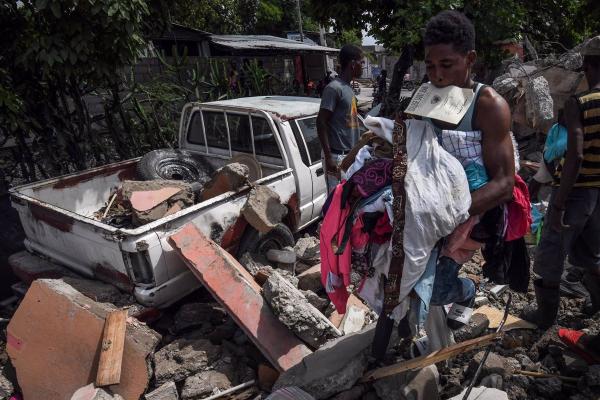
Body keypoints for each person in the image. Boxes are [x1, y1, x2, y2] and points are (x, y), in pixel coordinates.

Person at [421, 11, 516, 320]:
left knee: (436, 289)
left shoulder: (488, 105)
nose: (437, 75)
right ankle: (428, 335)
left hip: (471, 214)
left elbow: (504, 183)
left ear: (470, 58)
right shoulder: (427, 98)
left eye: (446, 65)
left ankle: (467, 292)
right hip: (427, 210)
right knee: (406, 280)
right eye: (431, 66)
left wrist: (449, 217)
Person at [523, 36, 600, 328]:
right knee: (590, 253)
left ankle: (544, 319)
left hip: (576, 191)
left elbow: (576, 155)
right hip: (598, 194)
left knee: (550, 255)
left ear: (589, 66)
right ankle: (595, 305)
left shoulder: (578, 103)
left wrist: (558, 205)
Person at [317, 44, 363, 192]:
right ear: (353, 64)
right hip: (337, 157)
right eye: (361, 62)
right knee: (337, 201)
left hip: (350, 155)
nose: (362, 66)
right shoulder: (333, 88)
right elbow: (321, 121)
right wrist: (329, 157)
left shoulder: (348, 88)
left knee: (349, 202)